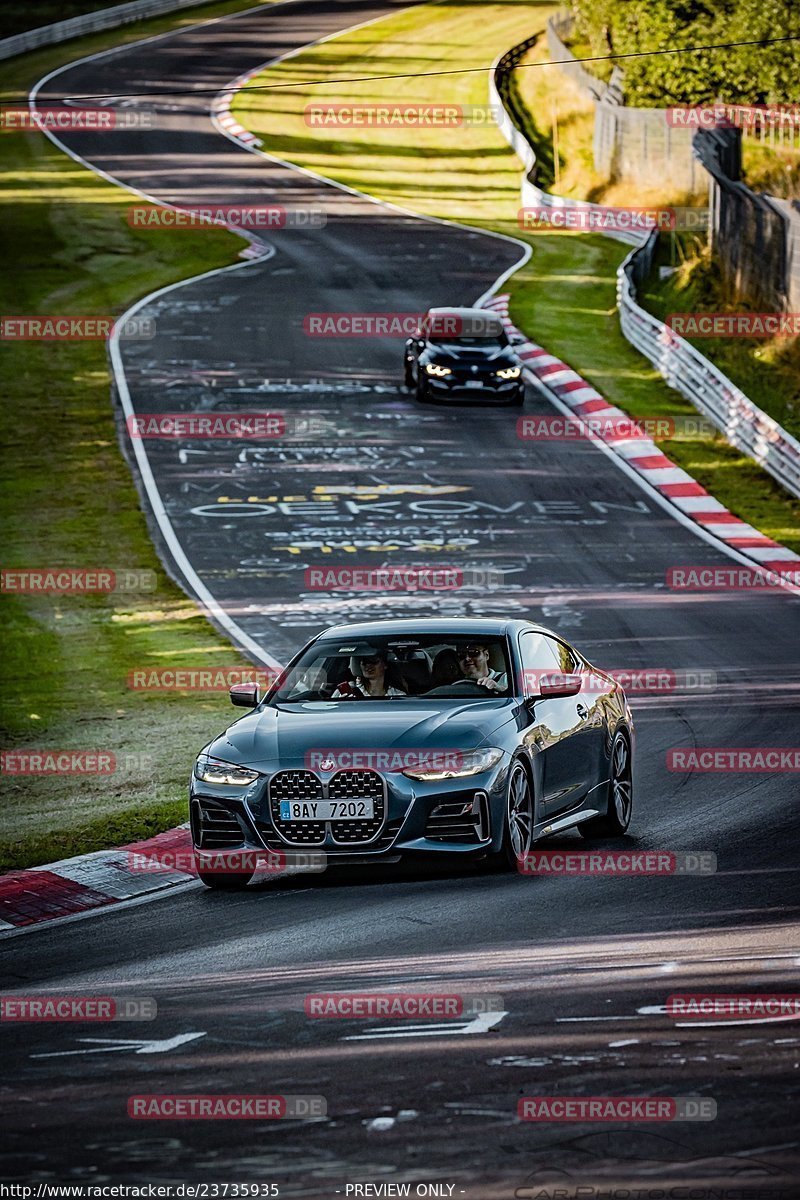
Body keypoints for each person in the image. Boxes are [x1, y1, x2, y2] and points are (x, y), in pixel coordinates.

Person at [332, 650, 405, 699]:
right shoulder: (347, 691)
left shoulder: (398, 696)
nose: (368, 666)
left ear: (385, 664)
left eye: (373, 661)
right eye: (364, 661)